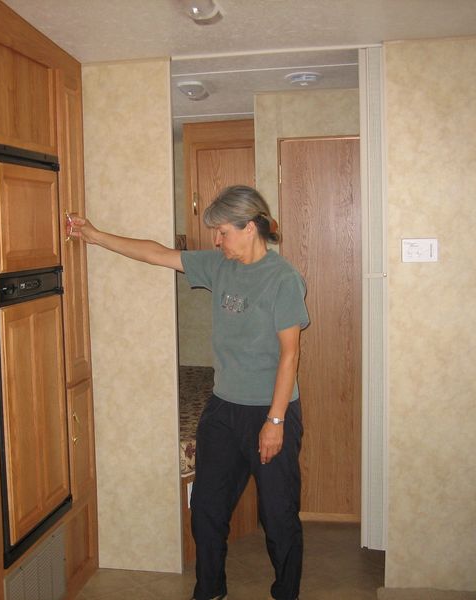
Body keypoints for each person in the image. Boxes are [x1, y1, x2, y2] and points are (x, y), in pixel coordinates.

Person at [68, 185, 308, 600]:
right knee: (207, 509)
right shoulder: (219, 266)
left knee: (278, 515)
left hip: (270, 411)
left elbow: (290, 354)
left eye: (223, 232)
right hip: (223, 409)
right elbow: (157, 254)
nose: (216, 240)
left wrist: (275, 420)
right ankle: (210, 590)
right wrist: (95, 235)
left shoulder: (283, 279)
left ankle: (286, 593)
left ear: (249, 228)